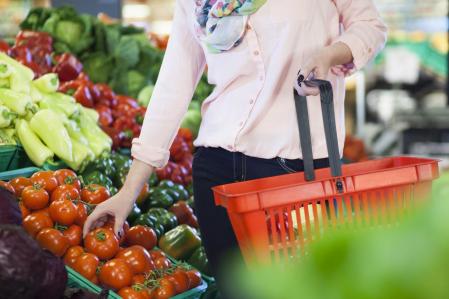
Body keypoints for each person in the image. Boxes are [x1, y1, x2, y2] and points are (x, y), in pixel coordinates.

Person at [84, 0, 386, 297]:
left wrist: (330, 54)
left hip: (295, 170)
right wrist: (128, 192)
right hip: (216, 171)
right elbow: (173, 84)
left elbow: (370, 27)